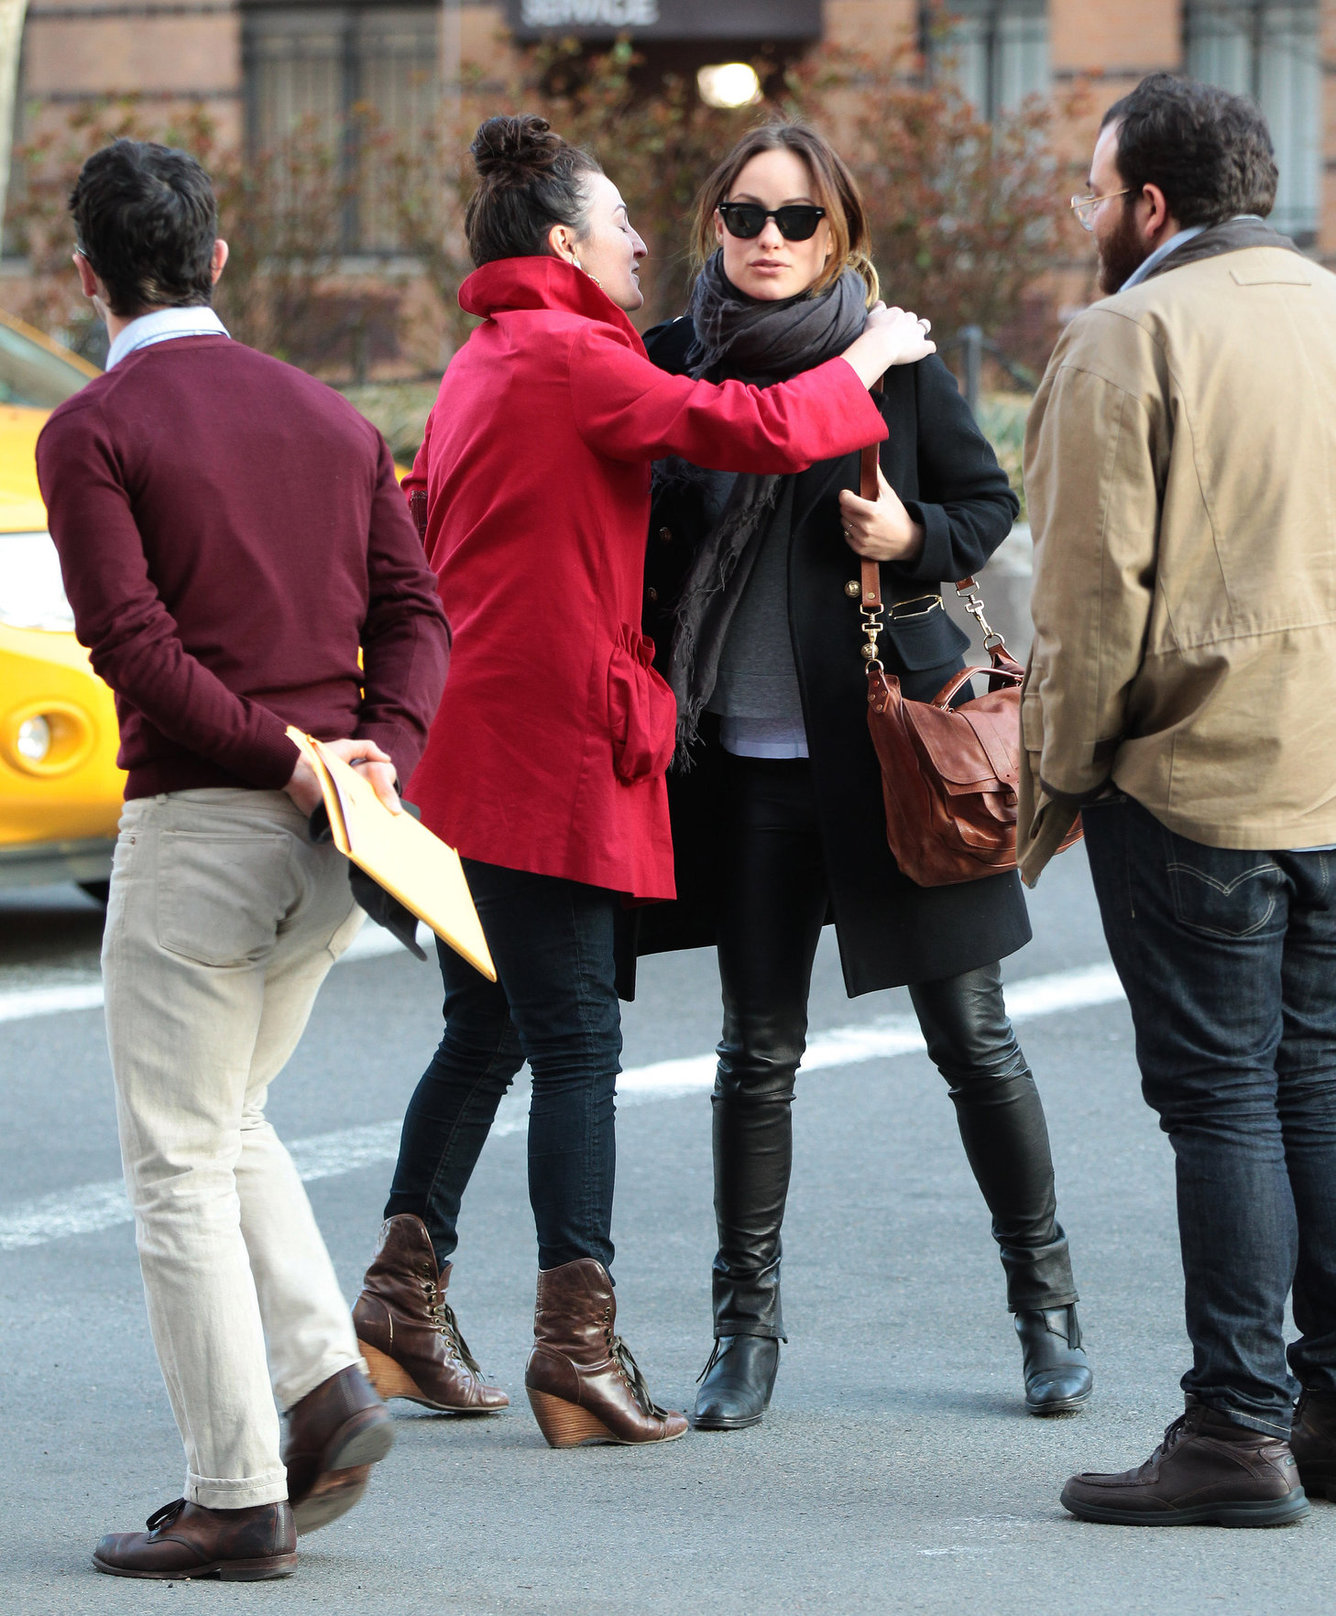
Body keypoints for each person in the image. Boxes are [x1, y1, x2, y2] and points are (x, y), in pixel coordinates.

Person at [352, 114, 935, 1450]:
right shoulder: (567, 356)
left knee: (489, 1029)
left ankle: (401, 1304)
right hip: (543, 750)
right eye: (618, 226)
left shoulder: (488, 353)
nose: (636, 247)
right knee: (573, 1048)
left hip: (472, 745)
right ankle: (578, 1352)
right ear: (563, 241)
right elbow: (745, 425)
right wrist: (868, 354)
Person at [35, 140, 451, 1578]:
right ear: (220, 260)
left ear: (83, 277)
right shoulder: (334, 421)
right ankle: (325, 1391)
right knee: (229, 1120)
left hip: (204, 827)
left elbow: (132, 651)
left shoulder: (92, 428)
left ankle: (236, 1495)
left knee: (174, 1168)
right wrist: (374, 744)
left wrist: (280, 753)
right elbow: (418, 611)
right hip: (335, 836)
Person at [637, 121, 1091, 1432]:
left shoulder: (898, 361)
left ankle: (1046, 1309)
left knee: (974, 1038)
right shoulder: (673, 361)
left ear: (836, 235)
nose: (766, 240)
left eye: (794, 220)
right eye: (743, 216)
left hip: (894, 754)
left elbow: (987, 504)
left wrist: (913, 533)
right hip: (748, 768)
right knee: (756, 1053)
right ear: (713, 227)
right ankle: (744, 1329)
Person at [1021, 72, 1336, 1527]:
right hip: (1329, 765)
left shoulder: (1127, 334)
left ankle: (1231, 1428)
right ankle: (1321, 1406)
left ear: (1150, 202)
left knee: (1221, 1102)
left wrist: (1057, 785)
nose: (1089, 216)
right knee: (1314, 1083)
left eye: (1096, 191)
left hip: (1195, 777)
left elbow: (1087, 607)